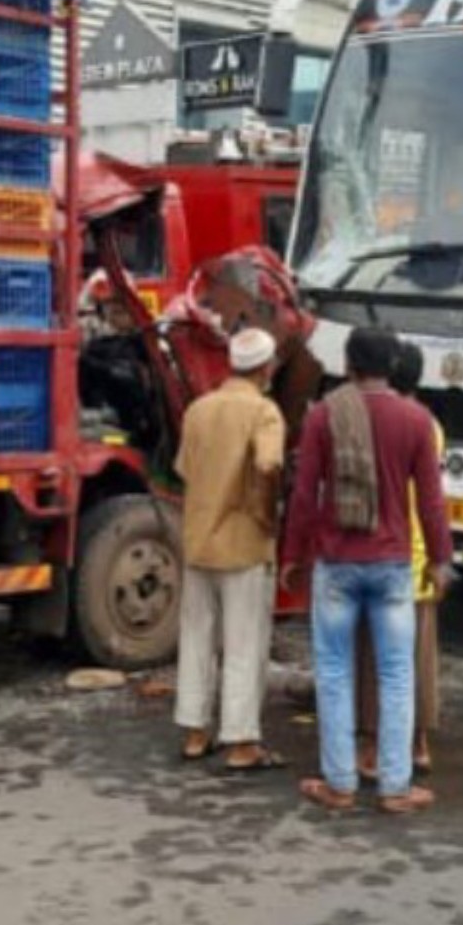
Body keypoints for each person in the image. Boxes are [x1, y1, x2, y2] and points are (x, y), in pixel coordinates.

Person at [283, 325, 453, 814]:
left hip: (336, 562)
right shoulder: (416, 420)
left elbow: (305, 493)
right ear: (392, 365)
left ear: (349, 364)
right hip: (394, 564)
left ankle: (339, 784)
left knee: (334, 672)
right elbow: (432, 503)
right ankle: (395, 788)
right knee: (397, 675)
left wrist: (292, 555)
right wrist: (441, 561)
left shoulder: (324, 415)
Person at [172, 326, 287, 772]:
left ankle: (195, 732)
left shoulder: (198, 410)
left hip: (198, 540)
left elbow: (184, 469)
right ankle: (241, 741)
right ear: (265, 367)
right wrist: (265, 516)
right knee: (244, 642)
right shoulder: (264, 412)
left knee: (197, 637)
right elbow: (268, 464)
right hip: (244, 544)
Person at [355, 340, 445, 778]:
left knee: (374, 659)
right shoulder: (431, 425)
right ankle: (418, 744)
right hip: (418, 561)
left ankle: (372, 749)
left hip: (376, 558)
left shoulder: (371, 422)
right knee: (416, 657)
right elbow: (432, 502)